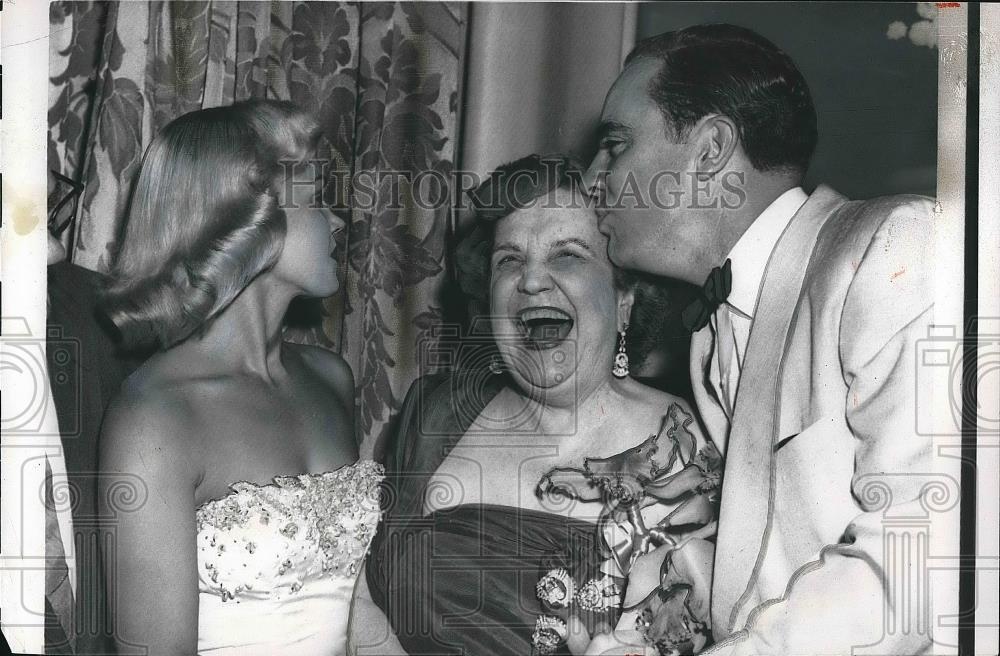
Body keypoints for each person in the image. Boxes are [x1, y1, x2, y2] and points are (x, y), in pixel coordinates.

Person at [583, 24, 935, 656]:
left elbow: (920, 559)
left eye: (615, 145)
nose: (592, 177)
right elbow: (772, 565)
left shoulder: (896, 246)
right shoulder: (710, 340)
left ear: (712, 148)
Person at [363, 154, 717, 656]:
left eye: (566, 255)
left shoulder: (692, 450)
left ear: (626, 299)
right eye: (508, 260)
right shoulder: (435, 415)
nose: (530, 281)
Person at [97, 99, 385, 655]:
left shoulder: (330, 378)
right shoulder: (153, 419)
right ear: (248, 214)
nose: (341, 219)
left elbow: (361, 615)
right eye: (317, 197)